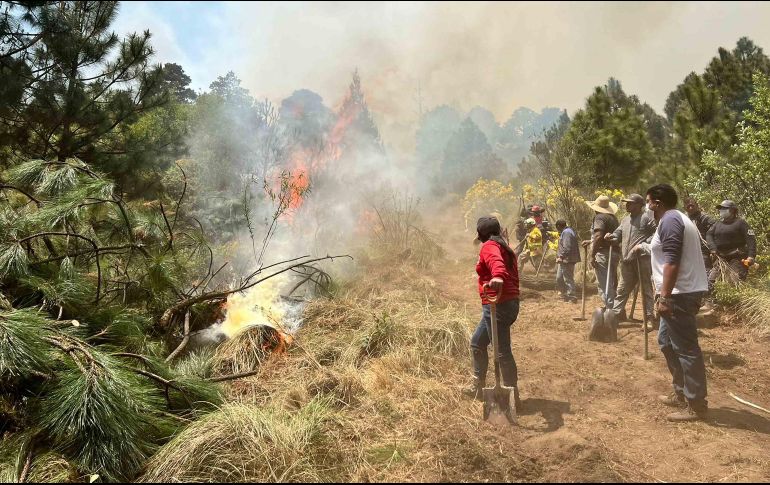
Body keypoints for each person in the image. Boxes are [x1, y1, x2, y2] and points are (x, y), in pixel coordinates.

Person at [646, 184, 709, 422]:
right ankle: (681, 392)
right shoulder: (674, 219)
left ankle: (696, 404)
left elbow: (672, 261)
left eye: (648, 202)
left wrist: (664, 296)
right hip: (678, 291)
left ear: (657, 203)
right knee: (666, 342)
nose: (647, 206)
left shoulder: (671, 220)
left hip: (679, 294)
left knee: (686, 348)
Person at [463, 216, 522, 411]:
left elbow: (497, 264)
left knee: (502, 351)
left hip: (498, 304)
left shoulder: (489, 246)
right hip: (506, 303)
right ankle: (478, 386)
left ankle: (512, 395)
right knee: (477, 342)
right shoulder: (502, 244)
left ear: (481, 233)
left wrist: (497, 276)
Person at [604, 194, 656, 326]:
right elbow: (618, 234)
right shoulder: (625, 220)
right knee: (622, 290)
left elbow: (655, 234)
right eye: (627, 202)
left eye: (630, 203)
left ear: (639, 205)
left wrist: (644, 245)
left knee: (646, 290)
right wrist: (611, 237)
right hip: (627, 261)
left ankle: (649, 318)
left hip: (641, 259)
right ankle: (613, 317)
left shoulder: (646, 218)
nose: (627, 205)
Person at [706, 200, 756, 293]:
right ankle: (713, 300)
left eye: (724, 208)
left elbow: (751, 239)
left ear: (732, 210)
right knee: (711, 281)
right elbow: (709, 235)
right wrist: (713, 248)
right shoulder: (717, 224)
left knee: (734, 281)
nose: (721, 210)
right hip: (721, 258)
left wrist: (751, 256)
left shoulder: (741, 223)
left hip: (737, 258)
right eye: (720, 208)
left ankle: (736, 301)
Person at [583, 195, 620, 308]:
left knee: (604, 283)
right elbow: (604, 236)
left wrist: (592, 255)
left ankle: (610, 308)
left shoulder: (599, 218)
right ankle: (616, 308)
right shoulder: (613, 218)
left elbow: (599, 236)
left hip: (604, 253)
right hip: (614, 252)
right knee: (611, 281)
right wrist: (591, 241)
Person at [685, 198, 716, 273]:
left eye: (692, 205)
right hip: (690, 252)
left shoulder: (705, 217)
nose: (690, 208)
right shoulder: (684, 220)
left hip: (704, 250)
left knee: (706, 272)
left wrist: (713, 248)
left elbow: (716, 231)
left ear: (697, 205)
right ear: (684, 208)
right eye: (688, 207)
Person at [555, 220, 580, 303]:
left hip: (567, 260)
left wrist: (561, 257)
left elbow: (567, 247)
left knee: (568, 279)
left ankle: (572, 297)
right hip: (564, 260)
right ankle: (564, 295)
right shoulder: (567, 231)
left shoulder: (566, 233)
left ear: (558, 226)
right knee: (559, 278)